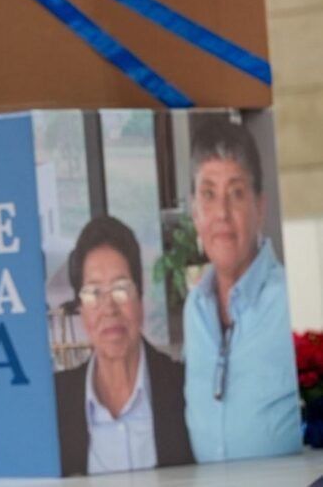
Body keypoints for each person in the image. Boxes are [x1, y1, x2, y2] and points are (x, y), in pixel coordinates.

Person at [183, 121, 300, 461]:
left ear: (260, 207)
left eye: (236, 193)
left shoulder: (294, 304)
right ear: (194, 212)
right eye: (208, 194)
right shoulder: (195, 311)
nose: (221, 213)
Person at [54, 216, 193, 476]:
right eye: (93, 292)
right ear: (82, 310)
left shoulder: (185, 389)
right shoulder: (57, 405)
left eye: (120, 288)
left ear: (140, 299)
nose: (108, 308)